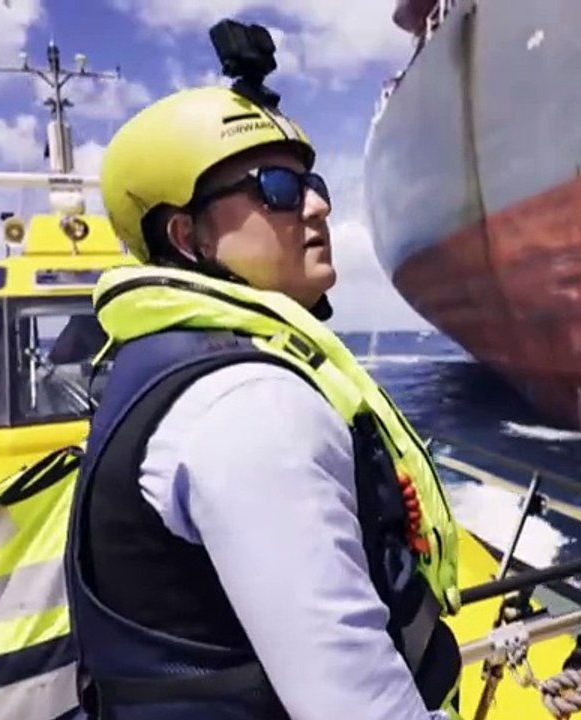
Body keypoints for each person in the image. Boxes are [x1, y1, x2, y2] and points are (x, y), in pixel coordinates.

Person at [60, 83, 465, 720]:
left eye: (315, 185)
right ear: (186, 236)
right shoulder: (251, 403)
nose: (315, 208)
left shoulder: (160, 362)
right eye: (275, 187)